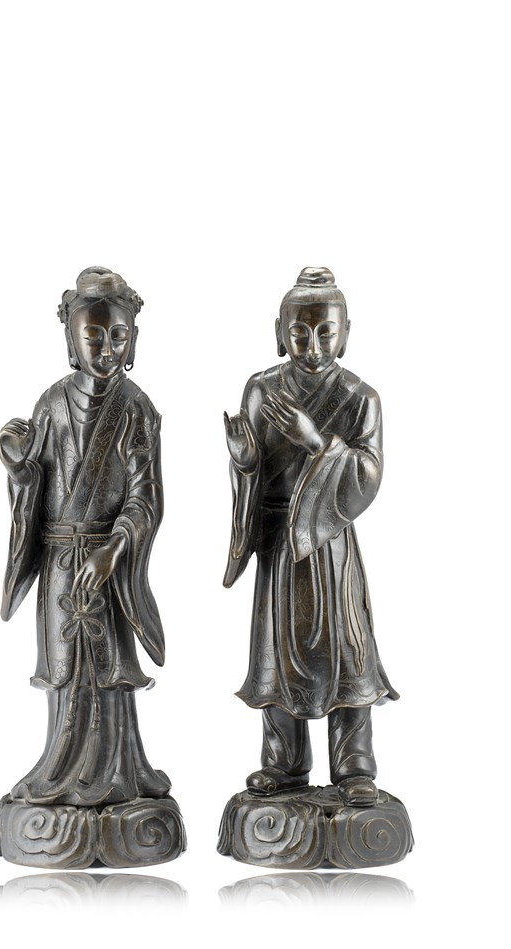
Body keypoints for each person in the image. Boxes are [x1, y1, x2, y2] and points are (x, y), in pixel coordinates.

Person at [223, 267, 398, 807]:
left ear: (346, 334)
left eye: (326, 332)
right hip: (279, 541)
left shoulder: (359, 397)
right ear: (279, 332)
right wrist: (245, 461)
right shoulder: (262, 389)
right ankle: (283, 761)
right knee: (278, 650)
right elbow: (251, 470)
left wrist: (317, 441)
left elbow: (369, 473)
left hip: (331, 542)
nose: (313, 346)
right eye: (300, 333)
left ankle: (354, 765)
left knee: (347, 648)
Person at [0, 267, 171, 806]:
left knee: (108, 671)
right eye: (93, 336)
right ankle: (59, 771)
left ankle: (119, 774)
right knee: (64, 671)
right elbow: (35, 484)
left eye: (118, 335)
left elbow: (146, 498)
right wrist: (17, 468)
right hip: (59, 562)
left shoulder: (136, 408)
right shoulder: (50, 405)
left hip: (108, 564)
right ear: (71, 339)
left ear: (133, 339)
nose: (107, 349)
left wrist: (114, 549)